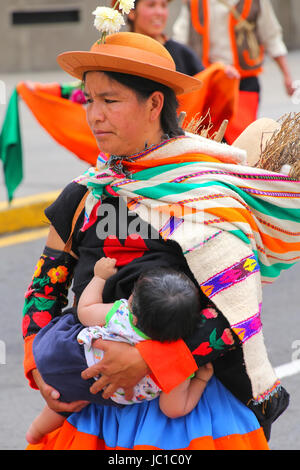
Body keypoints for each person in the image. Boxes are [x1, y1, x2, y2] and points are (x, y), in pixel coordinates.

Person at [22, 5, 299, 450]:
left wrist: (150, 359)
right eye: (89, 100)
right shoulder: (85, 195)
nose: (94, 116)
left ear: (154, 104)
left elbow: (233, 310)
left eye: (110, 100)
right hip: (93, 410)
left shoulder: (206, 194)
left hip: (188, 409)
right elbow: (45, 284)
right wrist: (39, 363)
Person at [26, 257, 213, 444]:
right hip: (104, 392)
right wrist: (201, 379)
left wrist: (99, 277)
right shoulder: (175, 361)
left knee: (62, 389)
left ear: (134, 309)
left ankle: (34, 431)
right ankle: (36, 431)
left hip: (61, 354)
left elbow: (85, 311)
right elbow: (173, 408)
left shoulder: (121, 314)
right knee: (73, 397)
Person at [172, 0, 295, 141]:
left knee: (241, 140)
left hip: (243, 82)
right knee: (207, 139)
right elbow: (179, 40)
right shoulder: (193, 2)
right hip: (210, 84)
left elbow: (271, 36)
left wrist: (286, 76)